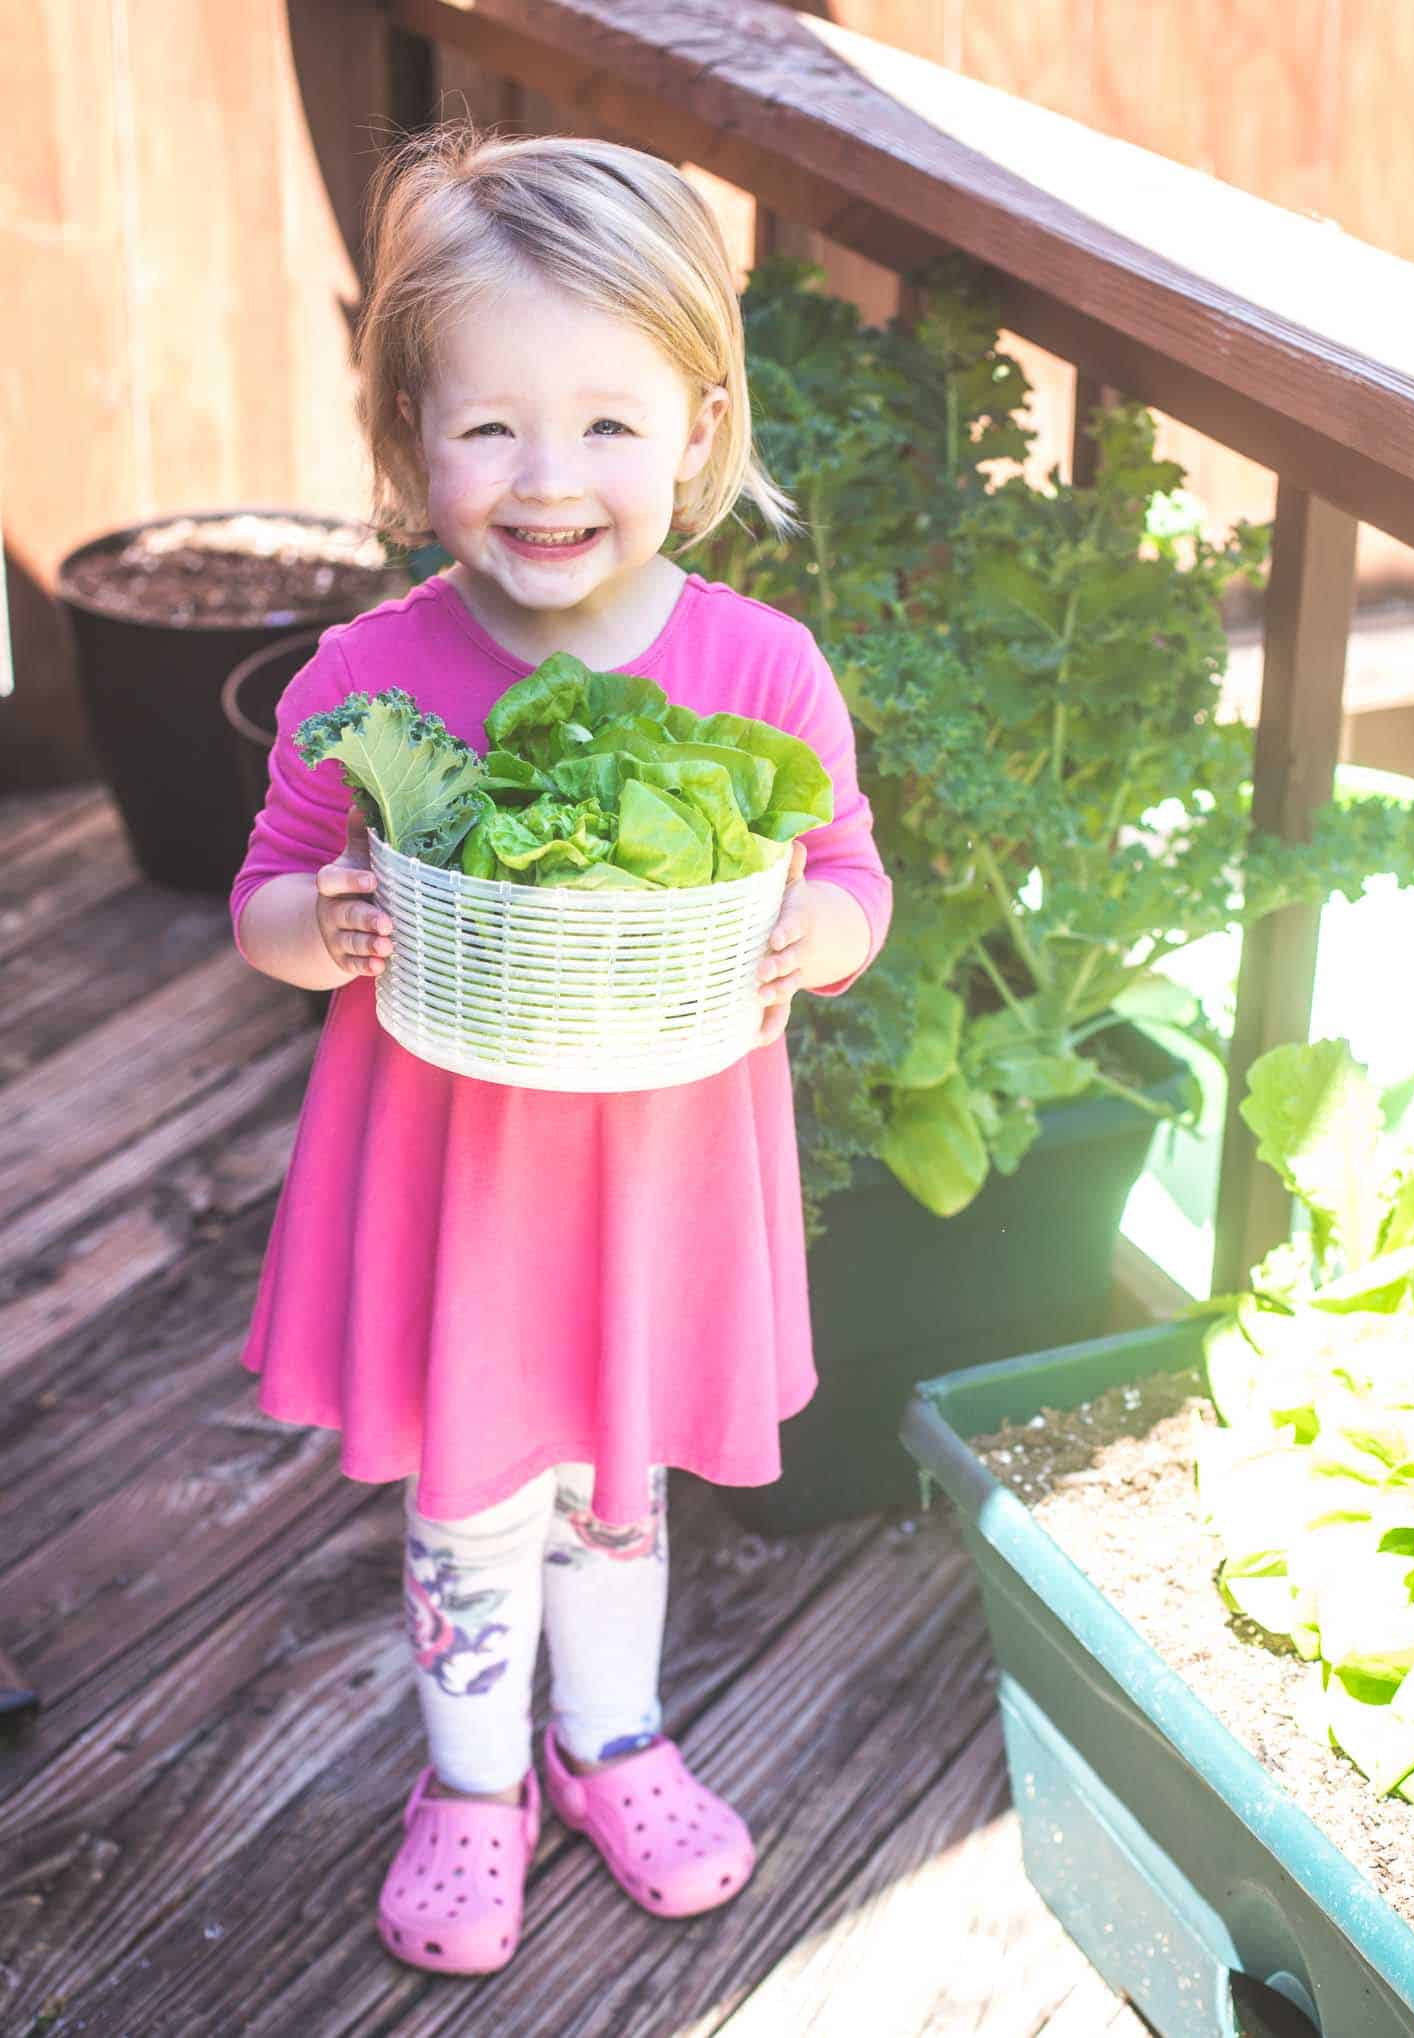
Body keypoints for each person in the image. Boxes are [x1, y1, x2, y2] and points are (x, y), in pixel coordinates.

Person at [230, 122, 892, 1977]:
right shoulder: (365, 676)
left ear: (697, 428)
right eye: (490, 426)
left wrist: (814, 931)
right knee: (468, 1484)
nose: (549, 479)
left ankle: (610, 1738)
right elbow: (267, 893)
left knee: (618, 1481)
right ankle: (469, 1780)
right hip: (456, 1176)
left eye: (608, 424)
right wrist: (327, 923)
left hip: (659, 1174)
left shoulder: (761, 670)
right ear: (410, 437)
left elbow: (846, 870)